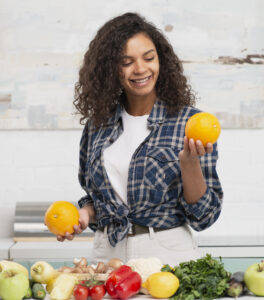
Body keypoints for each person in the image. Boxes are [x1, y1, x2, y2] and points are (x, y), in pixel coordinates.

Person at [57, 12, 223, 265]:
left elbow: (204, 217)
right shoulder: (97, 126)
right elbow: (95, 196)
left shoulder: (190, 124)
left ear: (161, 61)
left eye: (149, 58)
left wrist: (189, 164)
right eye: (126, 62)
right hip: (106, 255)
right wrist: (85, 214)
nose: (140, 69)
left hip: (168, 254)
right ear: (110, 69)